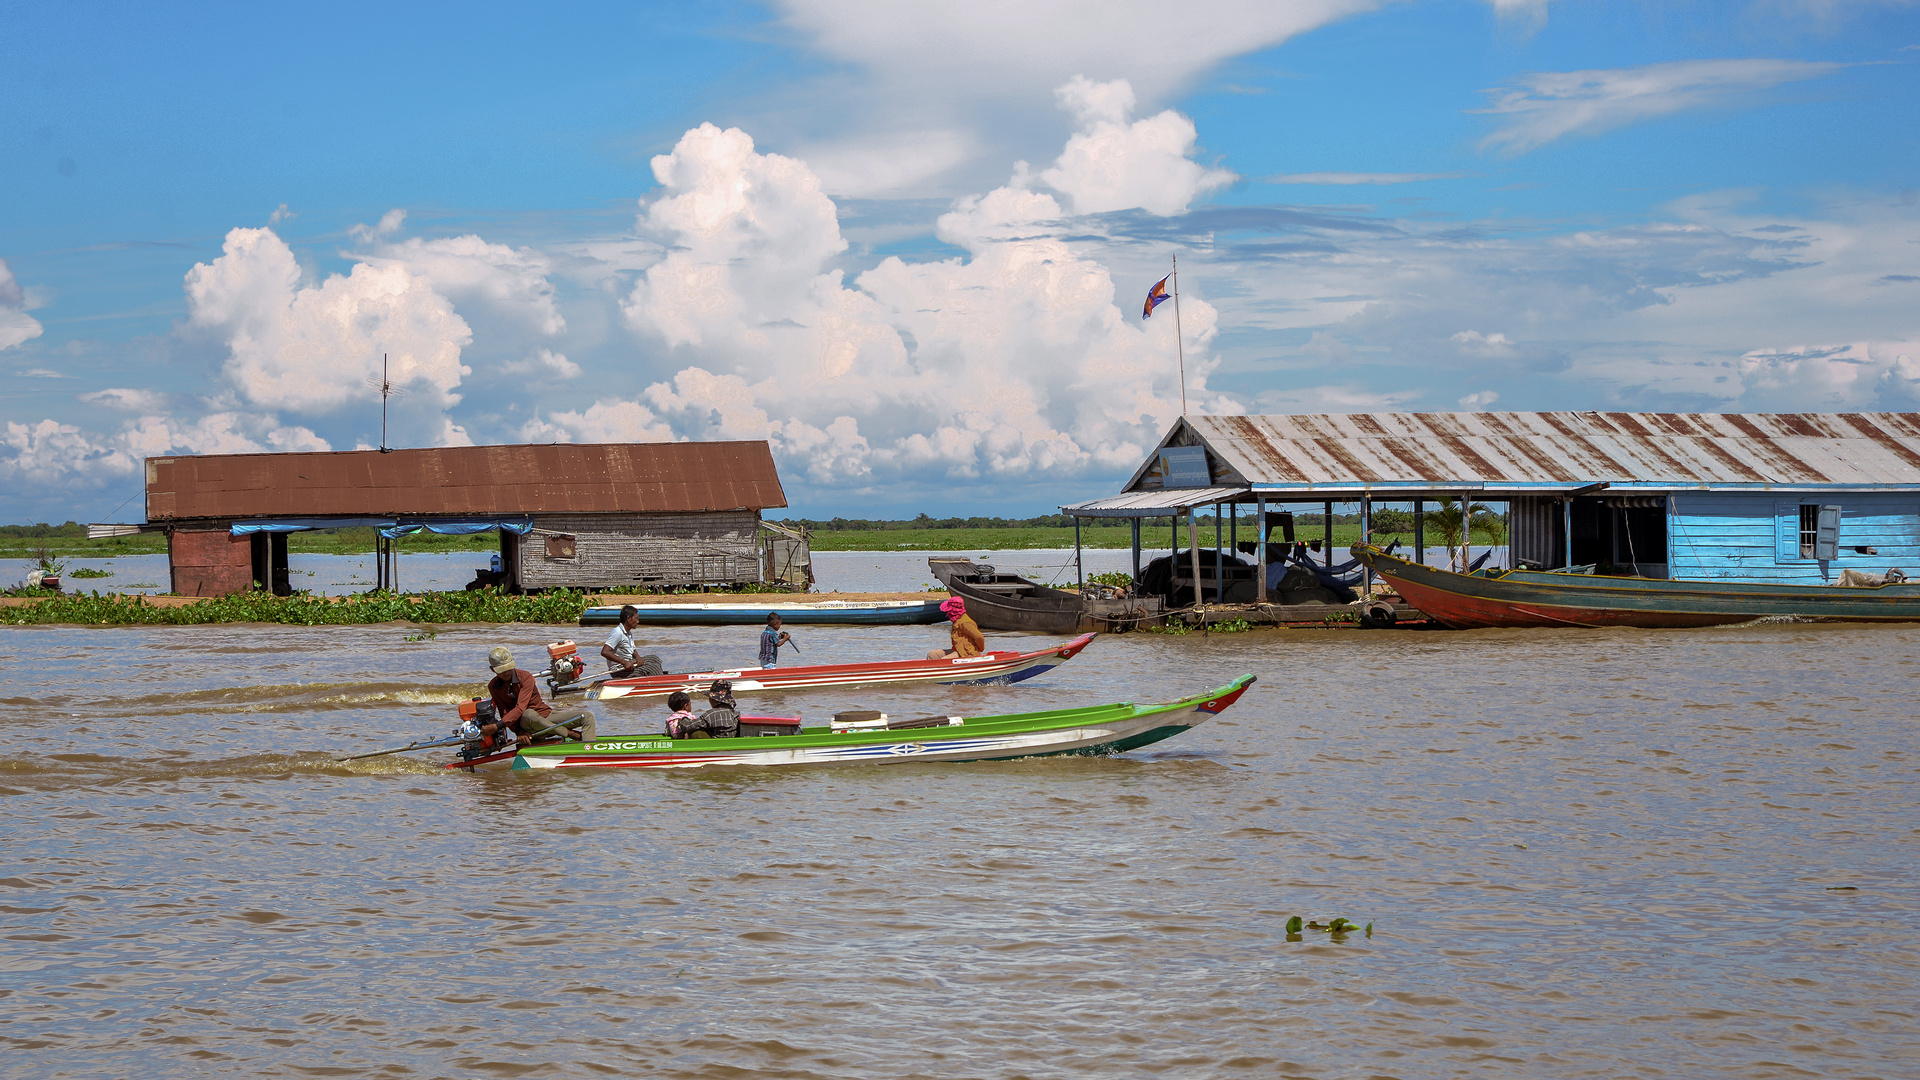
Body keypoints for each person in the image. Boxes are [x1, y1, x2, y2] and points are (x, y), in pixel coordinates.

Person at [486, 646, 596, 745]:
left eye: (509, 668)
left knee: (587, 716)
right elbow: (504, 712)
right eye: (502, 670)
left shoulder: (525, 677)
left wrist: (496, 726)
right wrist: (519, 732)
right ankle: (572, 735)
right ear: (492, 669)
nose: (507, 673)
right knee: (528, 714)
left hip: (545, 717)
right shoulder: (493, 686)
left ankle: (589, 748)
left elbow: (520, 706)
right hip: (527, 725)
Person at [602, 605, 666, 679]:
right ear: (629, 619)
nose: (638, 621)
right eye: (636, 619)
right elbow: (605, 652)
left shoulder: (628, 632)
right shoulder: (617, 632)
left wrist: (637, 657)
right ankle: (660, 681)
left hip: (631, 662)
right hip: (620, 669)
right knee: (651, 667)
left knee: (654, 658)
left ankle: (660, 676)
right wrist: (624, 662)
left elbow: (632, 649)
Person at [675, 679, 741, 739]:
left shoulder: (712, 714)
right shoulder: (735, 714)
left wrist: (683, 719)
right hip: (729, 743)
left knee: (696, 732)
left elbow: (687, 726)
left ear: (713, 699)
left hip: (715, 745)